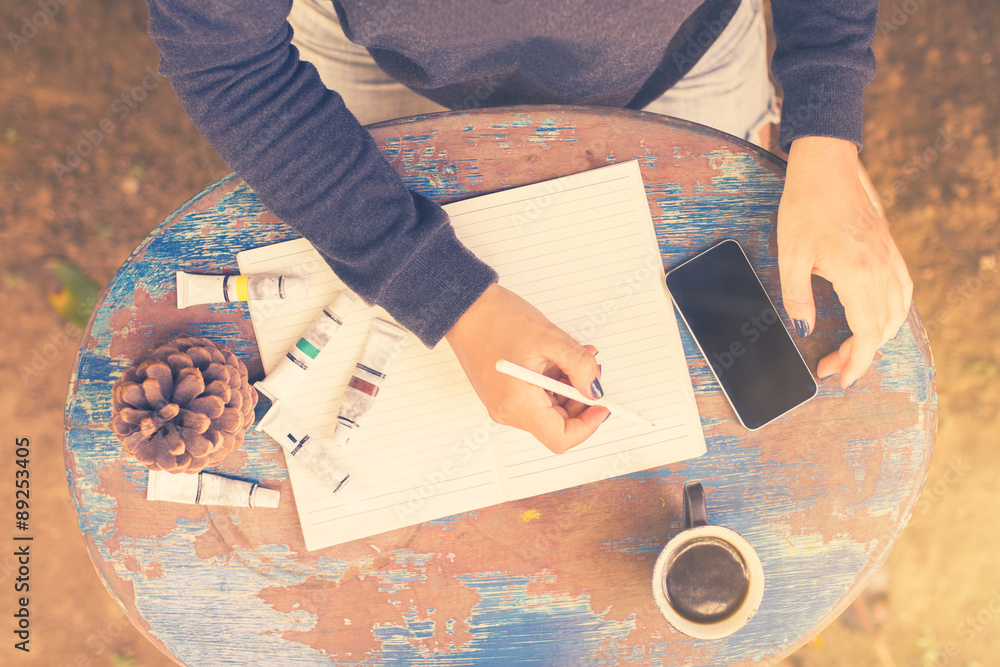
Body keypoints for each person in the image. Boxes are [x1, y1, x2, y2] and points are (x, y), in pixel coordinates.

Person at [145, 0, 912, 454]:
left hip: (693, 51)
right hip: (372, 53)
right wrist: (448, 300)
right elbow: (226, 59)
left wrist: (826, 120)